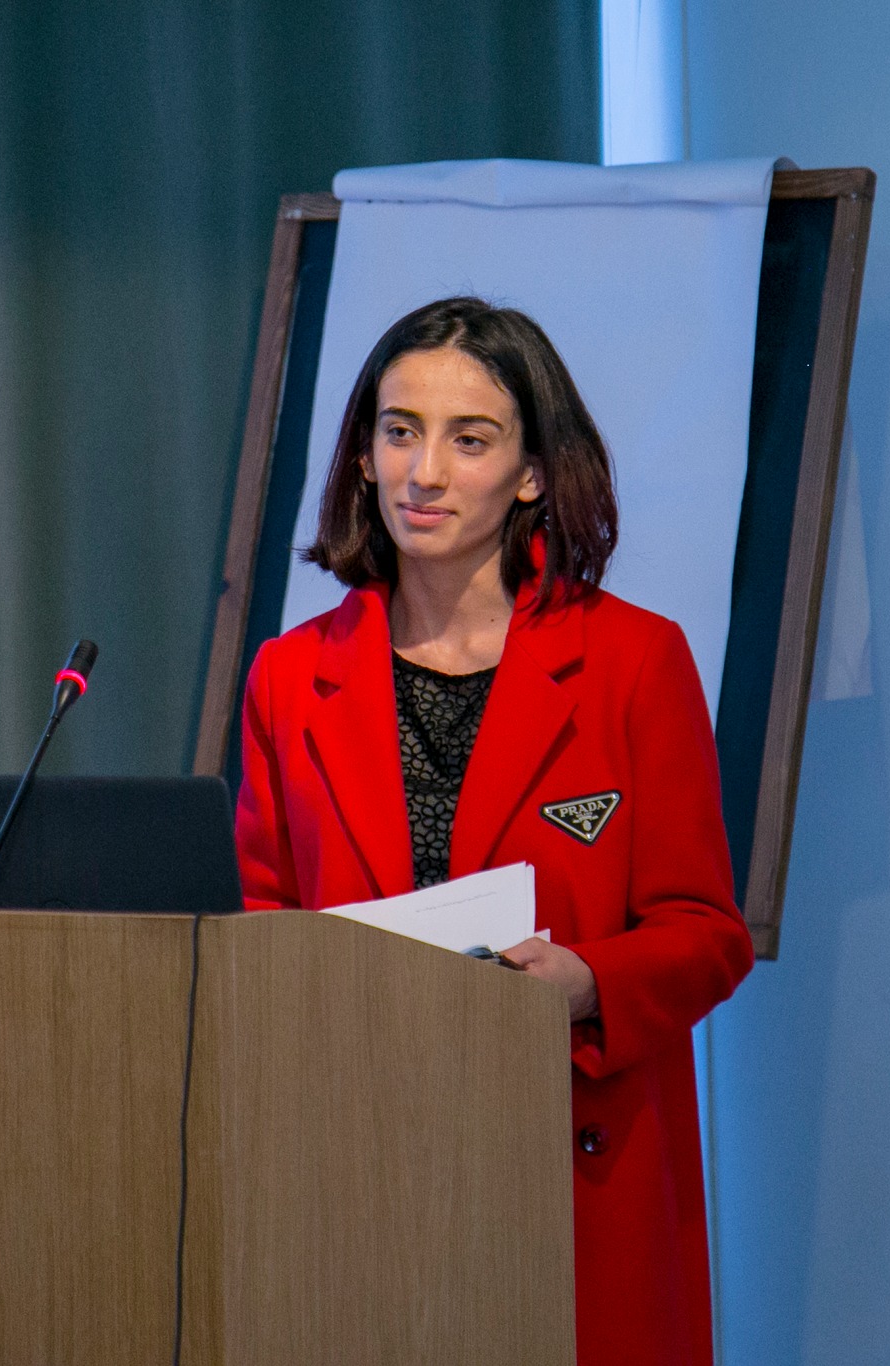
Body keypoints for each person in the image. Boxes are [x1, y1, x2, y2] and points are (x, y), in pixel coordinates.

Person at [235, 295, 756, 1366]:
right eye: (399, 431)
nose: (422, 472)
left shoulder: (634, 662)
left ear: (531, 473)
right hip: (357, 1167)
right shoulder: (290, 676)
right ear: (363, 455)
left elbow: (707, 932)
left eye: (467, 440)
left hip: (565, 1162)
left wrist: (586, 982)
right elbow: (257, 922)